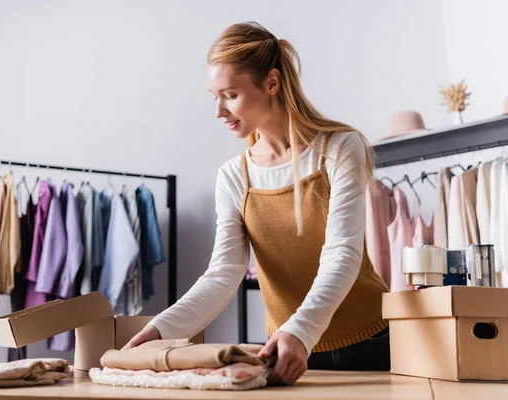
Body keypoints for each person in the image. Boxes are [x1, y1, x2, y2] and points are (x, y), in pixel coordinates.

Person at [123, 21, 390, 386]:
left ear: (272, 83)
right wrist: (158, 331)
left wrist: (299, 331)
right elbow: (223, 274)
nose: (219, 110)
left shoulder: (340, 149)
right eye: (214, 96)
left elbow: (342, 255)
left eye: (230, 94)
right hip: (283, 349)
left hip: (368, 342)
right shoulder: (234, 177)